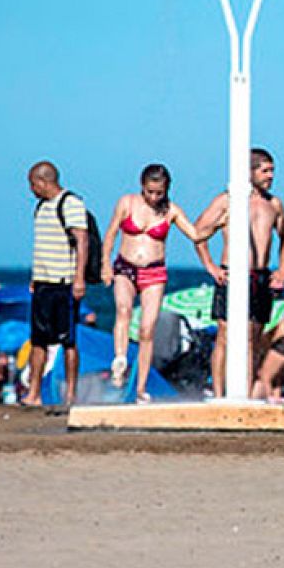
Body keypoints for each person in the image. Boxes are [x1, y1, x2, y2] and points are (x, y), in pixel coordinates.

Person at [101, 164, 207, 403]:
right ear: (142, 186)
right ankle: (120, 359)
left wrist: (220, 221)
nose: (153, 197)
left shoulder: (171, 211)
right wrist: (105, 265)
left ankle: (140, 387)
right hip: (125, 267)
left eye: (159, 193)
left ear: (166, 189)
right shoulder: (127, 203)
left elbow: (196, 235)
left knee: (147, 330)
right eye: (149, 192)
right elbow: (110, 234)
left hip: (154, 272)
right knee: (123, 310)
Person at [194, 148, 284, 399]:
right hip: (232, 274)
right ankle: (218, 394)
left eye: (272, 171)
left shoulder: (274, 204)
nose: (270, 176)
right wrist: (210, 266)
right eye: (265, 170)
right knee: (225, 337)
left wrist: (282, 270)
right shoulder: (227, 201)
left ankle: (246, 395)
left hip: (260, 276)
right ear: (249, 171)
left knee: (253, 339)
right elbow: (198, 233)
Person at [24, 161, 90, 408]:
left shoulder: (70, 203)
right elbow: (40, 244)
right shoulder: (41, 207)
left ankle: (71, 394)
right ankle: (34, 393)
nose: (31, 190)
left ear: (42, 182)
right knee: (38, 339)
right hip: (43, 282)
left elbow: (82, 241)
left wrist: (79, 278)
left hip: (64, 281)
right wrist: (35, 275)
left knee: (68, 340)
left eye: (32, 184)